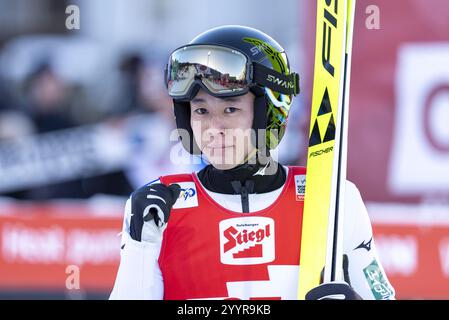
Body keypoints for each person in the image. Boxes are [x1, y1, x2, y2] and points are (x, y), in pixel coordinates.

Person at [110, 25, 395, 300]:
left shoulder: (331, 199)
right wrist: (141, 247)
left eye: (230, 109)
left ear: (269, 113)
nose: (213, 127)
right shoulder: (158, 207)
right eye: (201, 110)